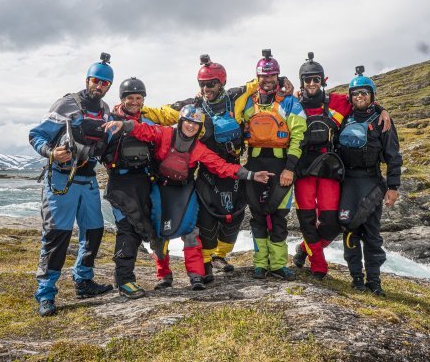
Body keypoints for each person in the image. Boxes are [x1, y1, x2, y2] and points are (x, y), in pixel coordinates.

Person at [141, 55, 294, 283]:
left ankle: (219, 255)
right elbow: (164, 113)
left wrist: (281, 79)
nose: (206, 88)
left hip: (232, 167)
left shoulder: (236, 97)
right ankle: (205, 261)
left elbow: (260, 81)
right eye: (202, 84)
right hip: (207, 169)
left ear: (220, 83)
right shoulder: (193, 107)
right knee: (206, 219)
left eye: (211, 83)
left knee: (234, 216)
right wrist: (137, 108)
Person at [104, 105, 273, 290]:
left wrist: (250, 175)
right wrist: (125, 125)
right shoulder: (166, 134)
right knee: (158, 235)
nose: (191, 127)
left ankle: (196, 276)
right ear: (181, 122)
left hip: (184, 190)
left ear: (200, 128)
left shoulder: (198, 148)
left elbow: (221, 166)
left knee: (191, 232)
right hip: (160, 188)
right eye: (188, 122)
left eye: (195, 124)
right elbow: (146, 131)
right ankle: (163, 276)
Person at [29, 54, 114, 317]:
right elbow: (36, 134)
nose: (99, 86)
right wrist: (51, 153)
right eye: (95, 80)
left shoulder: (106, 110)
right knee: (57, 237)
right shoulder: (66, 104)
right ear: (87, 79)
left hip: (88, 180)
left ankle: (84, 281)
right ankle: (46, 294)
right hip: (60, 179)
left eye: (104, 83)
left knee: (95, 231)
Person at [292, 52, 391, 280]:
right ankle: (319, 266)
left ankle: (303, 249)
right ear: (302, 82)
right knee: (307, 221)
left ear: (323, 80)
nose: (312, 83)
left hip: (328, 170)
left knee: (333, 222)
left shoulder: (337, 102)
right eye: (307, 80)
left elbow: (363, 99)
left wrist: (381, 109)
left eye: (316, 79)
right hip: (303, 171)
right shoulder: (293, 104)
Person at [236, 49, 307, 280]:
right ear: (257, 78)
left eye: (272, 76)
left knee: (279, 217)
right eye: (263, 77)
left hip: (281, 165)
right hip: (254, 162)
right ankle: (260, 265)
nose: (267, 81)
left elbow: (298, 136)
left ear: (278, 76)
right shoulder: (247, 101)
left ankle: (277, 265)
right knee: (257, 216)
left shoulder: (290, 103)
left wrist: (290, 168)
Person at [337, 66, 402, 296]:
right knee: (349, 230)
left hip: (373, 182)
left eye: (364, 93)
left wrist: (393, 187)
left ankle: (374, 281)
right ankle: (356, 278)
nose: (360, 97)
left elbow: (393, 156)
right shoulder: (343, 119)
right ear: (351, 97)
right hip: (348, 184)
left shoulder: (382, 121)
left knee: (372, 234)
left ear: (372, 95)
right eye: (356, 93)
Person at [102, 77, 156, 299]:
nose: (134, 102)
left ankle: (126, 278)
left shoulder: (149, 123)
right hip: (120, 183)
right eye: (129, 98)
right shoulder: (110, 121)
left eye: (138, 98)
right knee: (127, 228)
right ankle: (124, 280)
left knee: (141, 227)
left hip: (144, 182)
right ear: (122, 99)